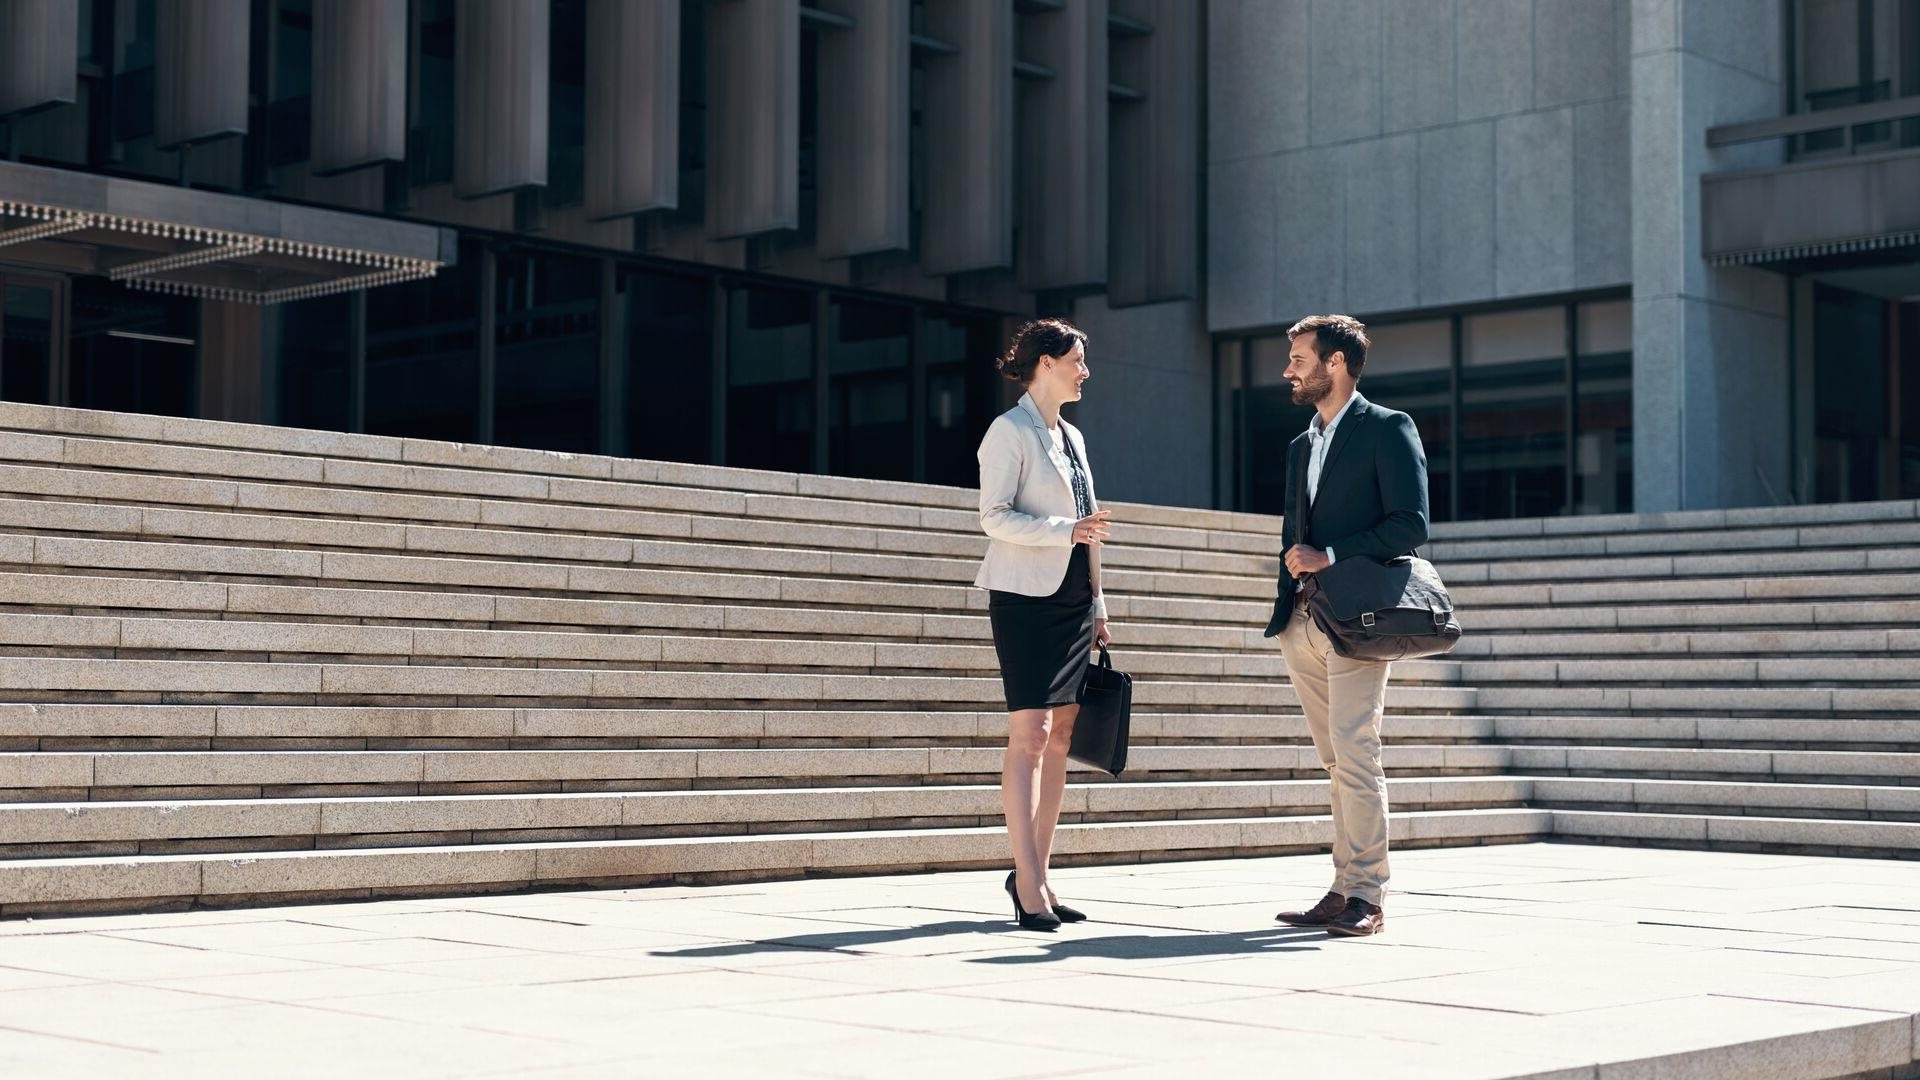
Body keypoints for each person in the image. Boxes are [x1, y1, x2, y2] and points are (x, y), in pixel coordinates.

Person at [1264, 314, 1429, 938]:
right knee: (1336, 762)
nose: (1289, 369)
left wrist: (1330, 557)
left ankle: (1367, 893)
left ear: (1334, 363)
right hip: (1303, 618)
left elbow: (1410, 524)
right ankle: (1341, 887)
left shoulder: (1388, 428)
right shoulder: (1300, 445)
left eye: (1299, 358)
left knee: (1357, 754)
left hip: (1357, 618)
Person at [974, 318, 1112, 932]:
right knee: (1029, 736)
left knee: (1060, 738)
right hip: (1025, 599)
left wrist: (1099, 601)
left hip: (1075, 598)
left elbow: (1090, 525)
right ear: (1046, 363)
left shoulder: (1074, 438)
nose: (1085, 371)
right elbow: (993, 519)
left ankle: (1040, 875)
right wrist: (1065, 532)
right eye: (1077, 361)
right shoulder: (1008, 433)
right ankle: (1026, 885)